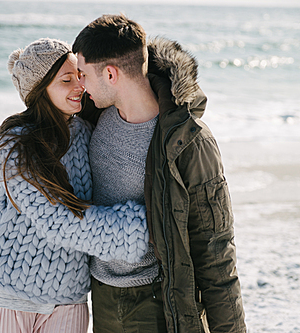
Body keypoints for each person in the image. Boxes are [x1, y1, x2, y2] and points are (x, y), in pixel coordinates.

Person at [0, 38, 149, 333]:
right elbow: (58, 222)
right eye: (66, 80)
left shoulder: (87, 133)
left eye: (80, 77)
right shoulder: (15, 144)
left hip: (68, 300)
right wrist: (147, 228)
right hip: (7, 294)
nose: (79, 86)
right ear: (39, 90)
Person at [74, 15, 246, 333]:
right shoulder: (92, 116)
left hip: (157, 302)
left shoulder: (188, 141)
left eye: (83, 73)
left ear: (110, 73)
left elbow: (215, 249)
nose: (79, 83)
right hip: (100, 296)